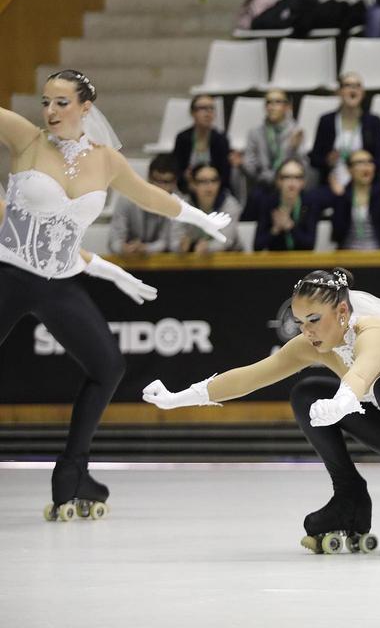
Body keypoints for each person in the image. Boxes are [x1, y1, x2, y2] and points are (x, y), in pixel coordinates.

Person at [0, 70, 228, 520]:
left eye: (62, 103)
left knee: (108, 367)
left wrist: (202, 219)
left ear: (86, 107)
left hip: (59, 282)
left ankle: (72, 474)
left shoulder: (106, 161)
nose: (50, 111)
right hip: (7, 273)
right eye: (46, 101)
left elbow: (150, 197)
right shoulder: (26, 139)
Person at [142, 268, 380, 558]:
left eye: (313, 320)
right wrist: (178, 398)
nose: (306, 331)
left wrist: (341, 404)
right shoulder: (314, 344)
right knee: (308, 392)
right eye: (299, 322)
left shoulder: (375, 331)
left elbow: (364, 373)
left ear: (341, 312)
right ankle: (349, 498)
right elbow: (252, 376)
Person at [309, 73, 380, 200]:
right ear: (339, 92)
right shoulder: (326, 121)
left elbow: (379, 160)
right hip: (333, 183)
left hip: (363, 184)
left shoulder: (374, 122)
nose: (353, 90)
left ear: (363, 92)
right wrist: (327, 161)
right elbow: (315, 159)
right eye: (348, 86)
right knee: (312, 199)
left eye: (357, 86)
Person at [235, 88, 306, 221]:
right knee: (256, 198)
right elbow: (251, 170)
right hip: (264, 184)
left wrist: (293, 149)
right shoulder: (255, 133)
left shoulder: (296, 132)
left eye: (278, 102)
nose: (272, 107)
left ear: (287, 107)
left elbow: (302, 168)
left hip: (288, 183)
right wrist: (241, 164)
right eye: (269, 102)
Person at [107, 154, 179, 255]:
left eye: (166, 182)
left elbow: (167, 242)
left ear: (174, 183)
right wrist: (123, 248)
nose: (160, 187)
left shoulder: (177, 204)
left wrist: (145, 248)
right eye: (156, 180)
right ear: (149, 178)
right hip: (129, 261)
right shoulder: (127, 198)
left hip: (161, 264)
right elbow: (114, 241)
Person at [330, 149, 380, 250]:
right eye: (360, 163)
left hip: (378, 254)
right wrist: (340, 199)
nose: (366, 167)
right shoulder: (344, 195)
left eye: (369, 162)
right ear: (349, 169)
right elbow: (337, 235)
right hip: (348, 254)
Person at [171, 162, 242, 251]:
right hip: (190, 258)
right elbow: (173, 240)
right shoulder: (183, 205)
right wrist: (180, 244)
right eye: (203, 181)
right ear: (193, 184)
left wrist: (208, 246)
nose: (209, 186)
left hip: (228, 257)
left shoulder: (230, 205)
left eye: (214, 180)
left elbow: (226, 241)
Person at [255, 158, 318, 251]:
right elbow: (257, 246)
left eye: (297, 177)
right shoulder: (269, 203)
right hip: (275, 262)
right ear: (278, 181)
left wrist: (290, 226)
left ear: (303, 182)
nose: (292, 182)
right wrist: (275, 230)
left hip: (302, 263)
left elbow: (310, 244)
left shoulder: (310, 203)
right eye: (286, 177)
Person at [173, 94, 231, 189]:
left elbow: (224, 175)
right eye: (203, 108)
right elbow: (176, 170)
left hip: (214, 190)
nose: (208, 113)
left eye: (211, 108)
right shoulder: (182, 138)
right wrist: (185, 178)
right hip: (187, 189)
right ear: (192, 113)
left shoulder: (221, 139)